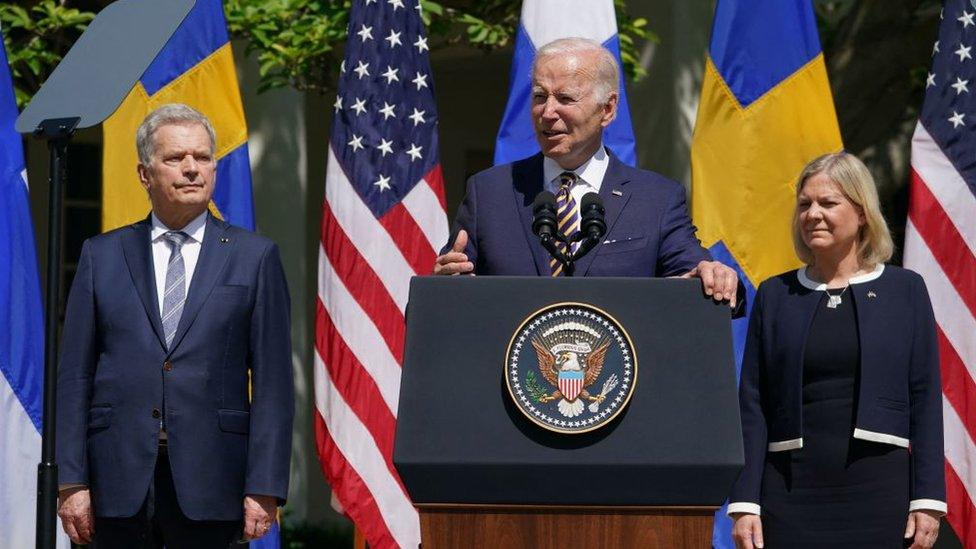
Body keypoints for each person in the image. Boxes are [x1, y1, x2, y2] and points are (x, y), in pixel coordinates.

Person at [55, 104, 294, 548]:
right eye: (175, 158)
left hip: (213, 481)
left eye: (202, 158)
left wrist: (265, 484)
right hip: (115, 481)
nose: (191, 169)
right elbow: (74, 376)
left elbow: (274, 383)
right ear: (145, 174)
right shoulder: (101, 256)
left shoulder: (254, 258)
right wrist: (71, 480)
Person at [729, 152, 945, 548]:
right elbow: (753, 403)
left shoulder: (906, 290)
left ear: (862, 213)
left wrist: (928, 499)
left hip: (881, 494)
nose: (813, 214)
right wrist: (744, 502)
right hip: (789, 493)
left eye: (828, 203)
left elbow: (926, 396)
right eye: (805, 204)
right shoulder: (777, 294)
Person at [433, 38, 740, 307]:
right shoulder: (489, 192)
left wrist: (708, 275)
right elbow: (446, 294)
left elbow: (691, 276)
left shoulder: (656, 199)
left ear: (607, 110)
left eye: (565, 98)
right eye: (540, 96)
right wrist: (447, 285)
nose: (547, 112)